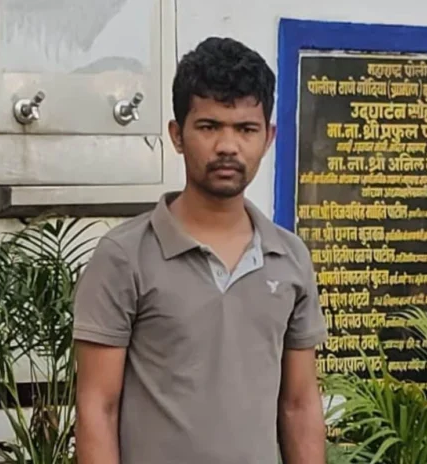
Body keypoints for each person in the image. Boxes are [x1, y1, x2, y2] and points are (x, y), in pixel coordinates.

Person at [72, 36, 328, 464]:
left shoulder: (289, 258)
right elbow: (98, 407)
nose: (227, 146)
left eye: (245, 129)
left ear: (268, 138)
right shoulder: (124, 257)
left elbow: (299, 406)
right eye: (209, 127)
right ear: (177, 135)